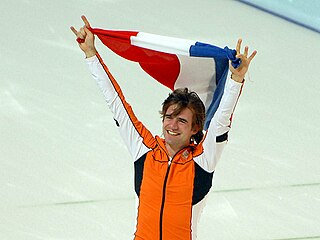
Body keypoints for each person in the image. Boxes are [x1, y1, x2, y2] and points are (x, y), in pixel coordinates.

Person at [71, 15, 257, 240]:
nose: (173, 125)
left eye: (182, 121)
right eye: (169, 117)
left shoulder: (203, 159)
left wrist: (235, 80)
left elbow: (221, 120)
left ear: (195, 127)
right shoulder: (144, 149)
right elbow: (116, 103)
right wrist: (91, 54)